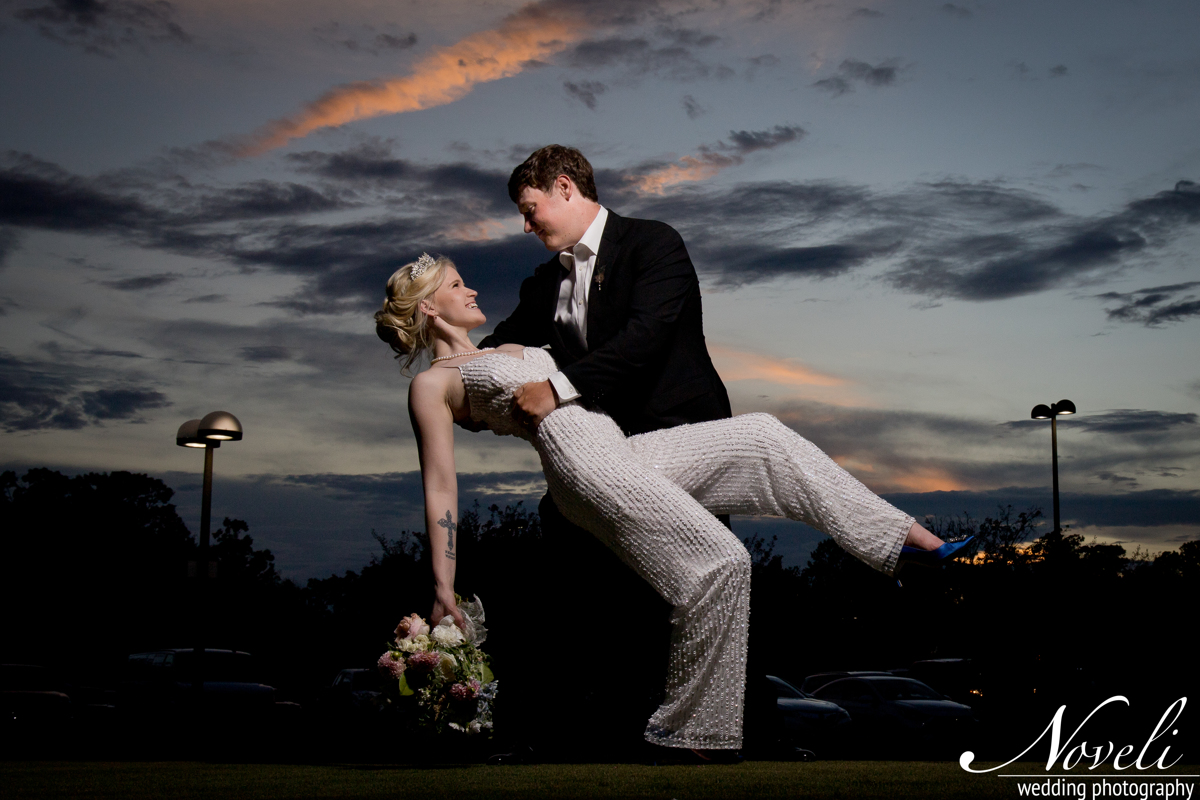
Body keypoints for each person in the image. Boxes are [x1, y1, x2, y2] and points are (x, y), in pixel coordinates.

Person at [375, 254, 969, 758]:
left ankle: (906, 545)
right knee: (722, 564)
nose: (471, 288)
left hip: (621, 447)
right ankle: (689, 733)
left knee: (762, 435)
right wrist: (443, 585)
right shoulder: (433, 384)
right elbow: (441, 485)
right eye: (456, 284)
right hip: (583, 467)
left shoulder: (509, 345)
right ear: (429, 308)